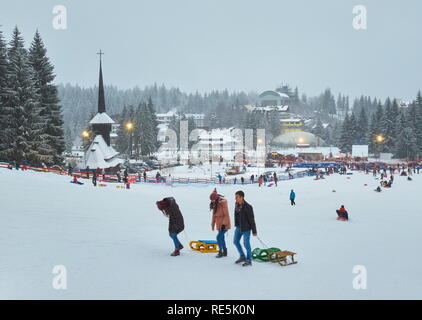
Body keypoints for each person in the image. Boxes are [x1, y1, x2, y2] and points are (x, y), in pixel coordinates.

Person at [233, 191, 257, 267]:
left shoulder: (248, 207)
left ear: (242, 197)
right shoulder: (236, 204)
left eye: (237, 197)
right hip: (238, 227)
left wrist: (254, 231)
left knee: (246, 244)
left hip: (246, 228)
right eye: (235, 197)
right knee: (235, 241)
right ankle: (242, 256)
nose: (235, 198)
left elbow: (252, 220)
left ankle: (249, 260)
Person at [210, 189, 231, 258]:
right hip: (219, 224)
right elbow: (214, 215)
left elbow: (226, 214)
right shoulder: (214, 204)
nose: (212, 201)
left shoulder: (222, 203)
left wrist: (224, 224)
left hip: (224, 224)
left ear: (215, 199)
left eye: (213, 200)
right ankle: (225, 251)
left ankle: (220, 252)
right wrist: (213, 224)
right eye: (211, 200)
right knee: (222, 238)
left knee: (218, 237)